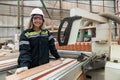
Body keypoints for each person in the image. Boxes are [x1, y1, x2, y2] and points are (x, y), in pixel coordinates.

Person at [15, 8, 61, 74]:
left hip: (44, 65)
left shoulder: (46, 33)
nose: (38, 20)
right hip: (31, 66)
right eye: (35, 18)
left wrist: (58, 57)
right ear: (31, 19)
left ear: (43, 20)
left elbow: (52, 47)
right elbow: (24, 51)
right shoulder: (26, 34)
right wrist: (24, 65)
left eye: (40, 18)